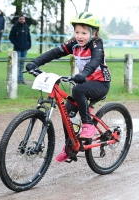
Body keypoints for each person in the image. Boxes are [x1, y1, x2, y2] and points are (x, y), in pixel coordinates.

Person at [25, 12, 111, 162]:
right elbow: (54, 53)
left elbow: (96, 60)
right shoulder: (74, 44)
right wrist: (35, 62)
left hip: (101, 83)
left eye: (84, 33)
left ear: (94, 33)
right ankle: (70, 147)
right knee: (67, 111)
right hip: (85, 82)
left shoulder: (96, 44)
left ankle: (87, 125)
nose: (80, 36)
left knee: (77, 89)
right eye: (77, 32)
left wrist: (84, 73)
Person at [9, 15, 32, 84]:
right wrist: (16, 44)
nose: (22, 20)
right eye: (20, 19)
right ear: (18, 20)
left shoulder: (26, 27)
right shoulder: (15, 27)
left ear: (25, 20)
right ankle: (14, 79)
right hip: (17, 49)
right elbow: (11, 37)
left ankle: (20, 79)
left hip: (24, 49)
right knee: (17, 64)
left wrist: (29, 45)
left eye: (23, 19)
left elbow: (29, 37)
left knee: (22, 65)